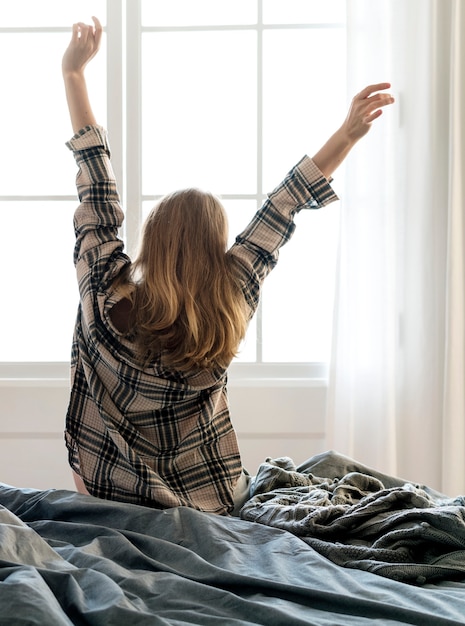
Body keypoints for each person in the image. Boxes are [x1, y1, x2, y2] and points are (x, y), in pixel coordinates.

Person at [62, 17, 394, 516]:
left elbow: (97, 186)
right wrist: (348, 133)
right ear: (215, 249)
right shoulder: (231, 295)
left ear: (153, 239)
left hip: (112, 495)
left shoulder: (104, 293)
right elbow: (283, 206)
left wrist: (73, 75)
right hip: (212, 502)